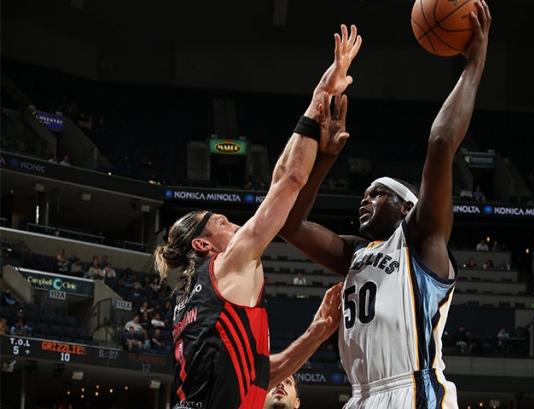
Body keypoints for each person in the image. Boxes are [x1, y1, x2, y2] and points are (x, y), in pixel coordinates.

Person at [279, 4, 491, 408]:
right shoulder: (357, 253)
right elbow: (290, 223)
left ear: (406, 207)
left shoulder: (422, 240)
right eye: (365, 193)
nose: (366, 198)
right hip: (360, 397)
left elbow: (442, 143)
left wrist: (474, 64)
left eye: (379, 194)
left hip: (413, 391)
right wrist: (324, 158)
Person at [153, 25, 361, 409]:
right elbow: (288, 181)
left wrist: (317, 332)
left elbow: (260, 375)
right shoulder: (227, 265)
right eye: (221, 223)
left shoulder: (188, 301)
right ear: (203, 244)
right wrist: (321, 96)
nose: (236, 225)